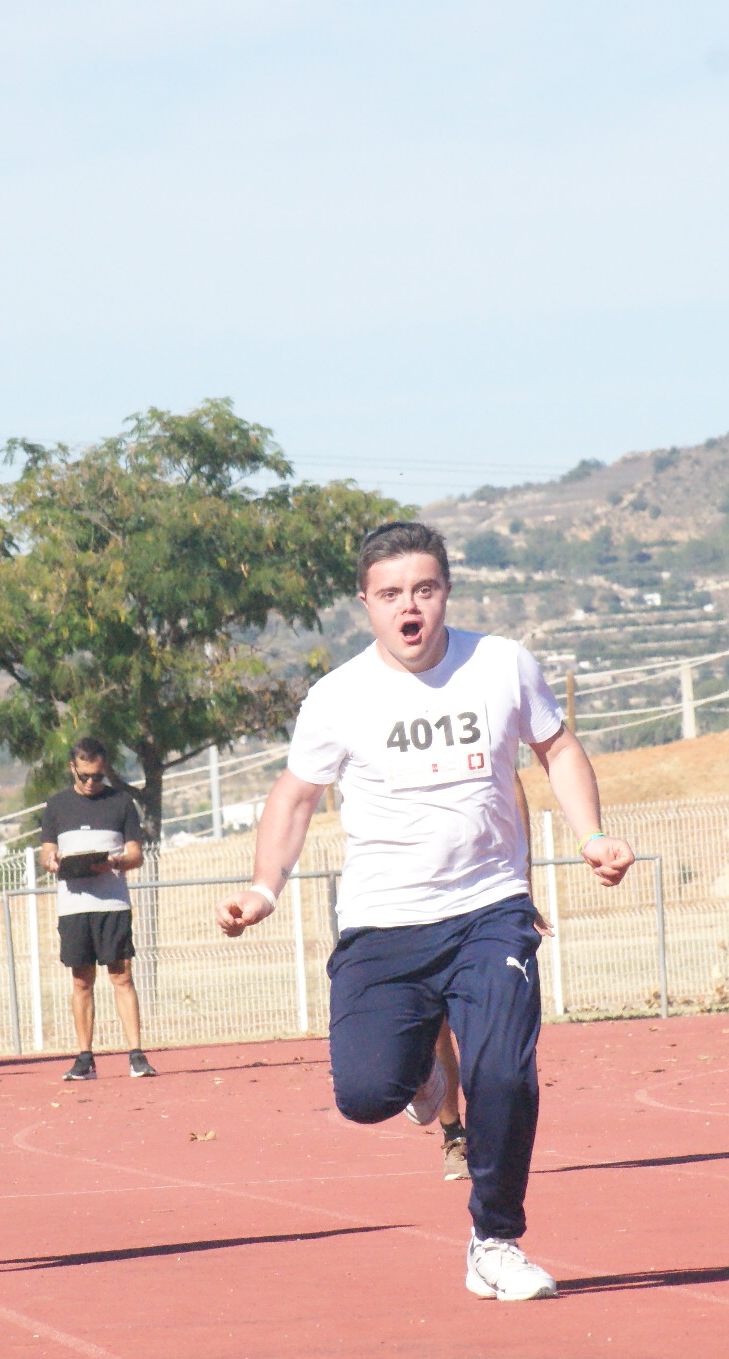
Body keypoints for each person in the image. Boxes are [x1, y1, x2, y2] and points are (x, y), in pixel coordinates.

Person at [215, 522, 634, 1299]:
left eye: (424, 589)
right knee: (366, 1094)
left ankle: (494, 1239)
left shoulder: (502, 664)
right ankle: (422, 1088)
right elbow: (296, 795)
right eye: (390, 594)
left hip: (489, 909)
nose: (409, 608)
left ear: (445, 592)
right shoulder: (338, 696)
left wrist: (592, 835)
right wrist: (263, 888)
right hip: (384, 922)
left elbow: (558, 750)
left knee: (504, 1072)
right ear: (366, 604)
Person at [38, 738, 156, 1081]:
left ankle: (136, 1055)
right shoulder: (57, 806)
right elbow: (46, 854)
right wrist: (52, 860)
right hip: (74, 909)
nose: (92, 782)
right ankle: (85, 1058)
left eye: (98, 776)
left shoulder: (121, 802)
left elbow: (137, 854)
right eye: (86, 776)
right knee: (81, 981)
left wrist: (116, 861)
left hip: (113, 906)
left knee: (122, 975)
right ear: (72, 768)